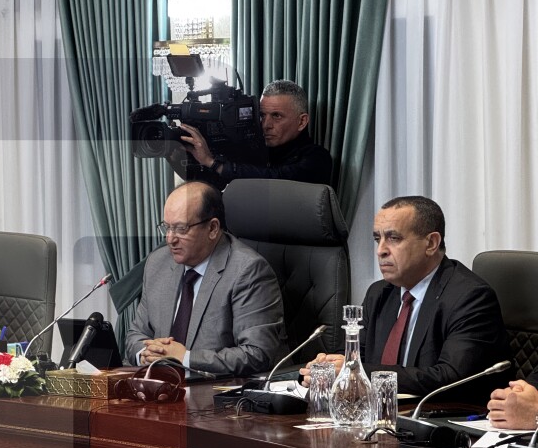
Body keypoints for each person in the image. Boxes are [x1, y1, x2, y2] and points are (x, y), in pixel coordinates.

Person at [302, 196, 510, 405]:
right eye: (377, 239)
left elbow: (450, 378)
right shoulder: (379, 293)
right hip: (379, 415)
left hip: (443, 417)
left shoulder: (470, 297)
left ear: (431, 243)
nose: (381, 250)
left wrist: (356, 372)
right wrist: (330, 367)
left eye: (393, 238)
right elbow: (354, 355)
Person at [124, 181, 287, 377]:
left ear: (212, 228)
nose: (170, 239)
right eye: (167, 227)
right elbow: (135, 334)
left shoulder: (247, 271)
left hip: (216, 391)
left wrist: (184, 358)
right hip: (159, 387)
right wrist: (145, 354)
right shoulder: (158, 263)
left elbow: (256, 354)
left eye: (181, 229)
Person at [175, 79, 333, 188]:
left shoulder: (317, 158)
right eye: (262, 115)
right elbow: (212, 186)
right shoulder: (252, 150)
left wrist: (214, 163)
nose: (266, 125)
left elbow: (276, 178)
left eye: (277, 116)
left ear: (302, 121)